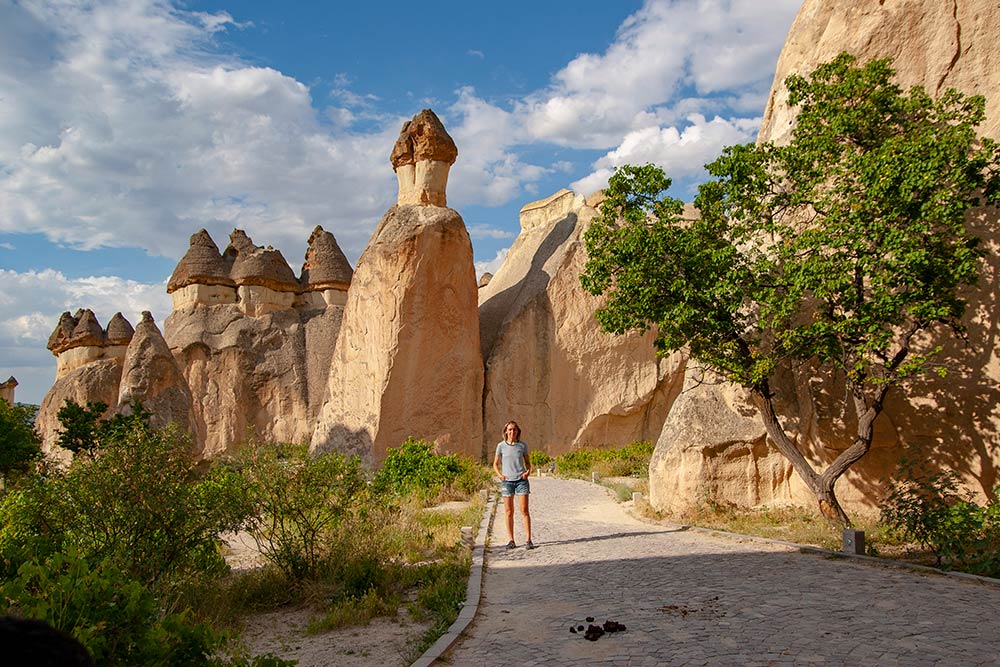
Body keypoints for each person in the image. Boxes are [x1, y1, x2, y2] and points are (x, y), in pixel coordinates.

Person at [493, 420, 534, 549]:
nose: (512, 432)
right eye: (510, 430)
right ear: (506, 431)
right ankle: (511, 540)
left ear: (518, 431)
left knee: (524, 511)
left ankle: (528, 540)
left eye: (514, 430)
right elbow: (495, 464)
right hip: (507, 482)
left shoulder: (522, 445)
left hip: (521, 481)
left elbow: (527, 462)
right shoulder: (501, 446)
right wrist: (500, 475)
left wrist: (528, 471)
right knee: (509, 511)